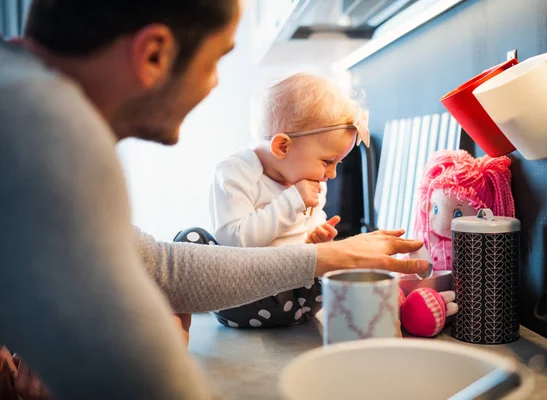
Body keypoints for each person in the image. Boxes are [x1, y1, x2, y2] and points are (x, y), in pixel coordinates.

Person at [0, 1, 429, 399]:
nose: (216, 81)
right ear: (153, 55)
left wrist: (328, 255)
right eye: (218, 59)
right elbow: (146, 377)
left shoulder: (24, 98)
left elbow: (158, 267)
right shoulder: (48, 131)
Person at [206, 72, 369, 328]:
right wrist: (291, 201)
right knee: (191, 240)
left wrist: (316, 239)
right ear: (283, 146)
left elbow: (304, 239)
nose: (332, 174)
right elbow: (232, 240)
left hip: (294, 301)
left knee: (335, 261)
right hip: (244, 298)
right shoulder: (235, 171)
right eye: (328, 162)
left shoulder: (311, 182)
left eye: (338, 163)